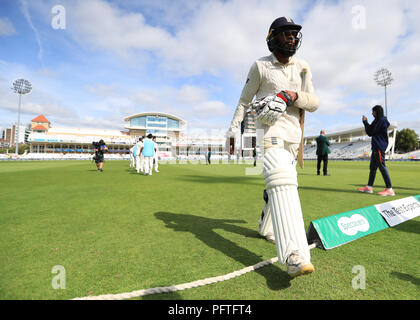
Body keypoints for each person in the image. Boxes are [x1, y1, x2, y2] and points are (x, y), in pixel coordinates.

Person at [226, 16, 320, 278]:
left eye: (294, 34)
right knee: (282, 179)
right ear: (273, 37)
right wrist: (233, 131)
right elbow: (244, 101)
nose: (291, 38)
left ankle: (266, 228)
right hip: (267, 132)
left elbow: (313, 102)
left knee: (280, 185)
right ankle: (294, 254)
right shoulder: (260, 66)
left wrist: (293, 96)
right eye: (286, 33)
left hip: (293, 135)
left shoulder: (302, 67)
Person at [358, 105, 395, 196]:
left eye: (373, 111)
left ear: (377, 112)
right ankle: (369, 187)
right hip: (376, 147)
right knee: (373, 168)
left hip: (379, 147)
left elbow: (370, 132)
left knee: (382, 166)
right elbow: (371, 130)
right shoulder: (378, 121)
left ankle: (389, 189)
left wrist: (365, 122)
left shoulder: (381, 120)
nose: (372, 113)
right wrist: (366, 122)